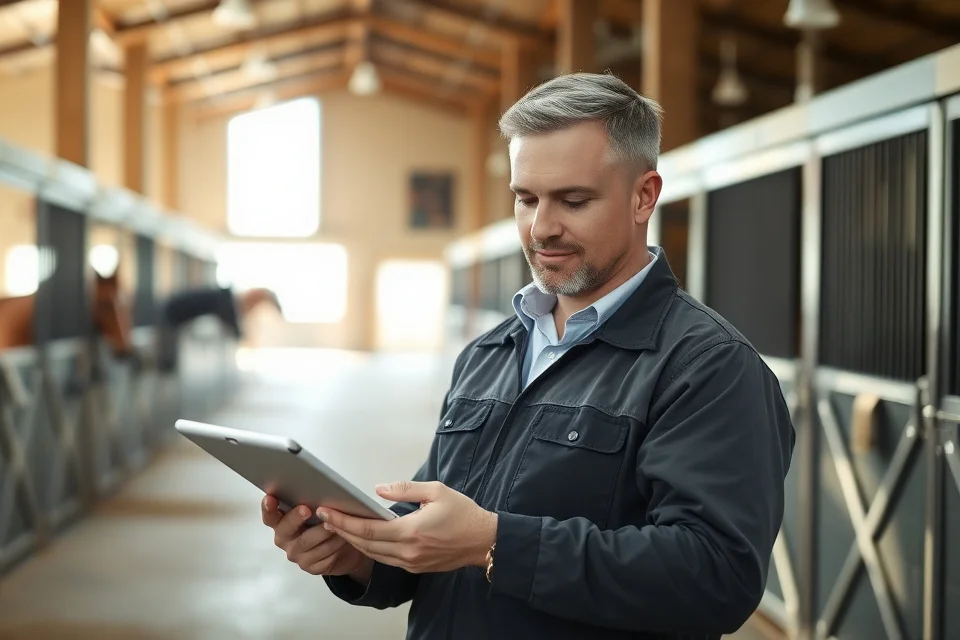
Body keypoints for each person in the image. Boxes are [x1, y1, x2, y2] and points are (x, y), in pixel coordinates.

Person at [260, 72, 796, 638]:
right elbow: (435, 539)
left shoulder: (707, 367)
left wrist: (495, 543)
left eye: (573, 200)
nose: (541, 228)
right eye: (526, 198)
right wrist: (362, 556)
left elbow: (716, 578)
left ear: (644, 196)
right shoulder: (490, 352)